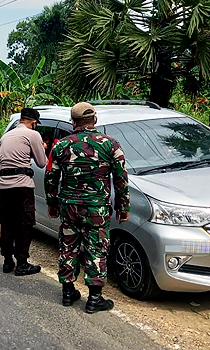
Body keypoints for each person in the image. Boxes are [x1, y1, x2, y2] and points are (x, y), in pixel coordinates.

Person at [44, 102, 130, 313]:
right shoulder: (111, 144)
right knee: (96, 249)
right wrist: (123, 206)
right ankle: (94, 298)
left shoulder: (61, 145)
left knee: (68, 247)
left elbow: (50, 177)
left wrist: (52, 203)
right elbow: (121, 179)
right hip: (97, 209)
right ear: (95, 120)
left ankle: (67, 292)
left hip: (69, 207)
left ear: (73, 122)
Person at [0, 108, 47, 276]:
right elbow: (41, 162)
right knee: (24, 224)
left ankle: (7, 261)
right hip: (22, 186)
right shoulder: (33, 135)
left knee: (7, 223)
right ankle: (22, 263)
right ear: (33, 123)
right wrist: (42, 147)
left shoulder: (6, 136)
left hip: (4, 185)